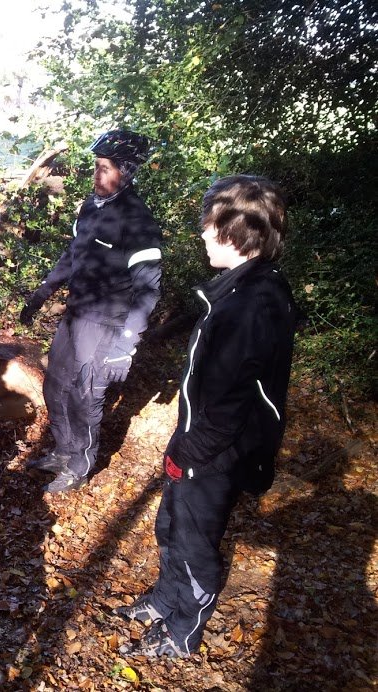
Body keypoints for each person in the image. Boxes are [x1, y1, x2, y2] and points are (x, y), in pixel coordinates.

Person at [115, 175, 297, 658]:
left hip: (218, 450)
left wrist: (188, 452)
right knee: (171, 525)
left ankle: (183, 629)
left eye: (209, 224)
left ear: (236, 231)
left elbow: (233, 401)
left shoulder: (253, 301)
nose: (202, 233)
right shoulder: (241, 287)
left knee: (194, 541)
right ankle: (166, 599)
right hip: (200, 439)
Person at [20, 129, 162, 493]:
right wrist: (42, 292)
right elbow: (72, 255)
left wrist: (126, 345)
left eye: (104, 168)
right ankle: (63, 451)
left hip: (106, 322)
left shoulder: (138, 222)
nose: (96, 174)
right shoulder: (90, 207)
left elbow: (148, 289)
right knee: (55, 385)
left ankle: (78, 466)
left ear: (126, 172)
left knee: (84, 395)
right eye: (95, 166)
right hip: (75, 314)